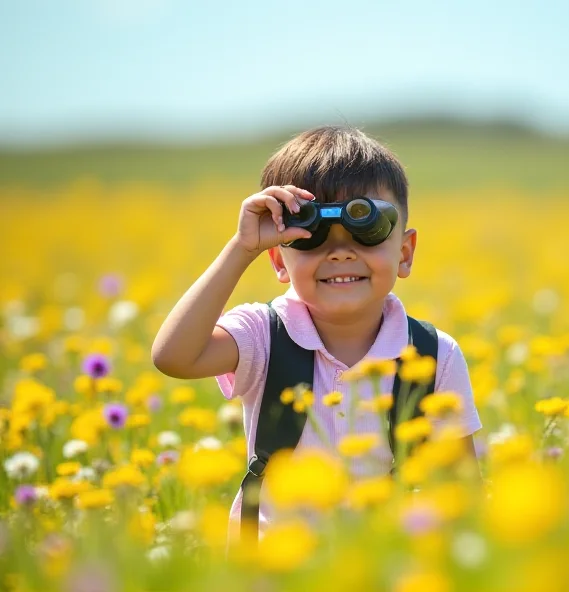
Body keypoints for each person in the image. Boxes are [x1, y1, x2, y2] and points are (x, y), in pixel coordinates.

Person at [151, 125, 482, 541]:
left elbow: (463, 490)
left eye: (369, 228)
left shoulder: (433, 356)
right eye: (311, 235)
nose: (340, 251)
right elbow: (173, 357)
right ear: (277, 260)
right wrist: (241, 247)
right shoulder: (264, 336)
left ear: (405, 251)